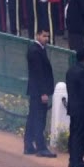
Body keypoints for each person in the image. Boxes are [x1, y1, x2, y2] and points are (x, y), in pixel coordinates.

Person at [24, 29, 56, 157]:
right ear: (37, 35)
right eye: (44, 36)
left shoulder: (37, 49)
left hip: (35, 91)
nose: (46, 38)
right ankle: (40, 147)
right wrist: (43, 92)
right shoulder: (35, 51)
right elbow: (39, 73)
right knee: (39, 119)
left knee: (33, 118)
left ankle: (29, 145)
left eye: (48, 36)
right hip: (38, 92)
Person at [65, 46, 84, 167]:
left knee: (73, 135)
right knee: (80, 137)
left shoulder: (71, 70)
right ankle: (79, 163)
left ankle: (72, 161)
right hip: (82, 110)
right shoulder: (82, 72)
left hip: (73, 108)